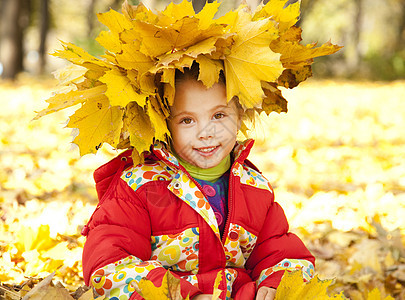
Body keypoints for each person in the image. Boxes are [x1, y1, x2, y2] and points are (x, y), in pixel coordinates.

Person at [81, 63, 315, 300]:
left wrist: (276, 285)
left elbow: (280, 254)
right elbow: (109, 266)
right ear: (164, 124)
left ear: (240, 115)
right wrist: (183, 296)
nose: (206, 132)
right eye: (186, 120)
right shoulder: (139, 186)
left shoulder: (254, 188)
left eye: (219, 115)